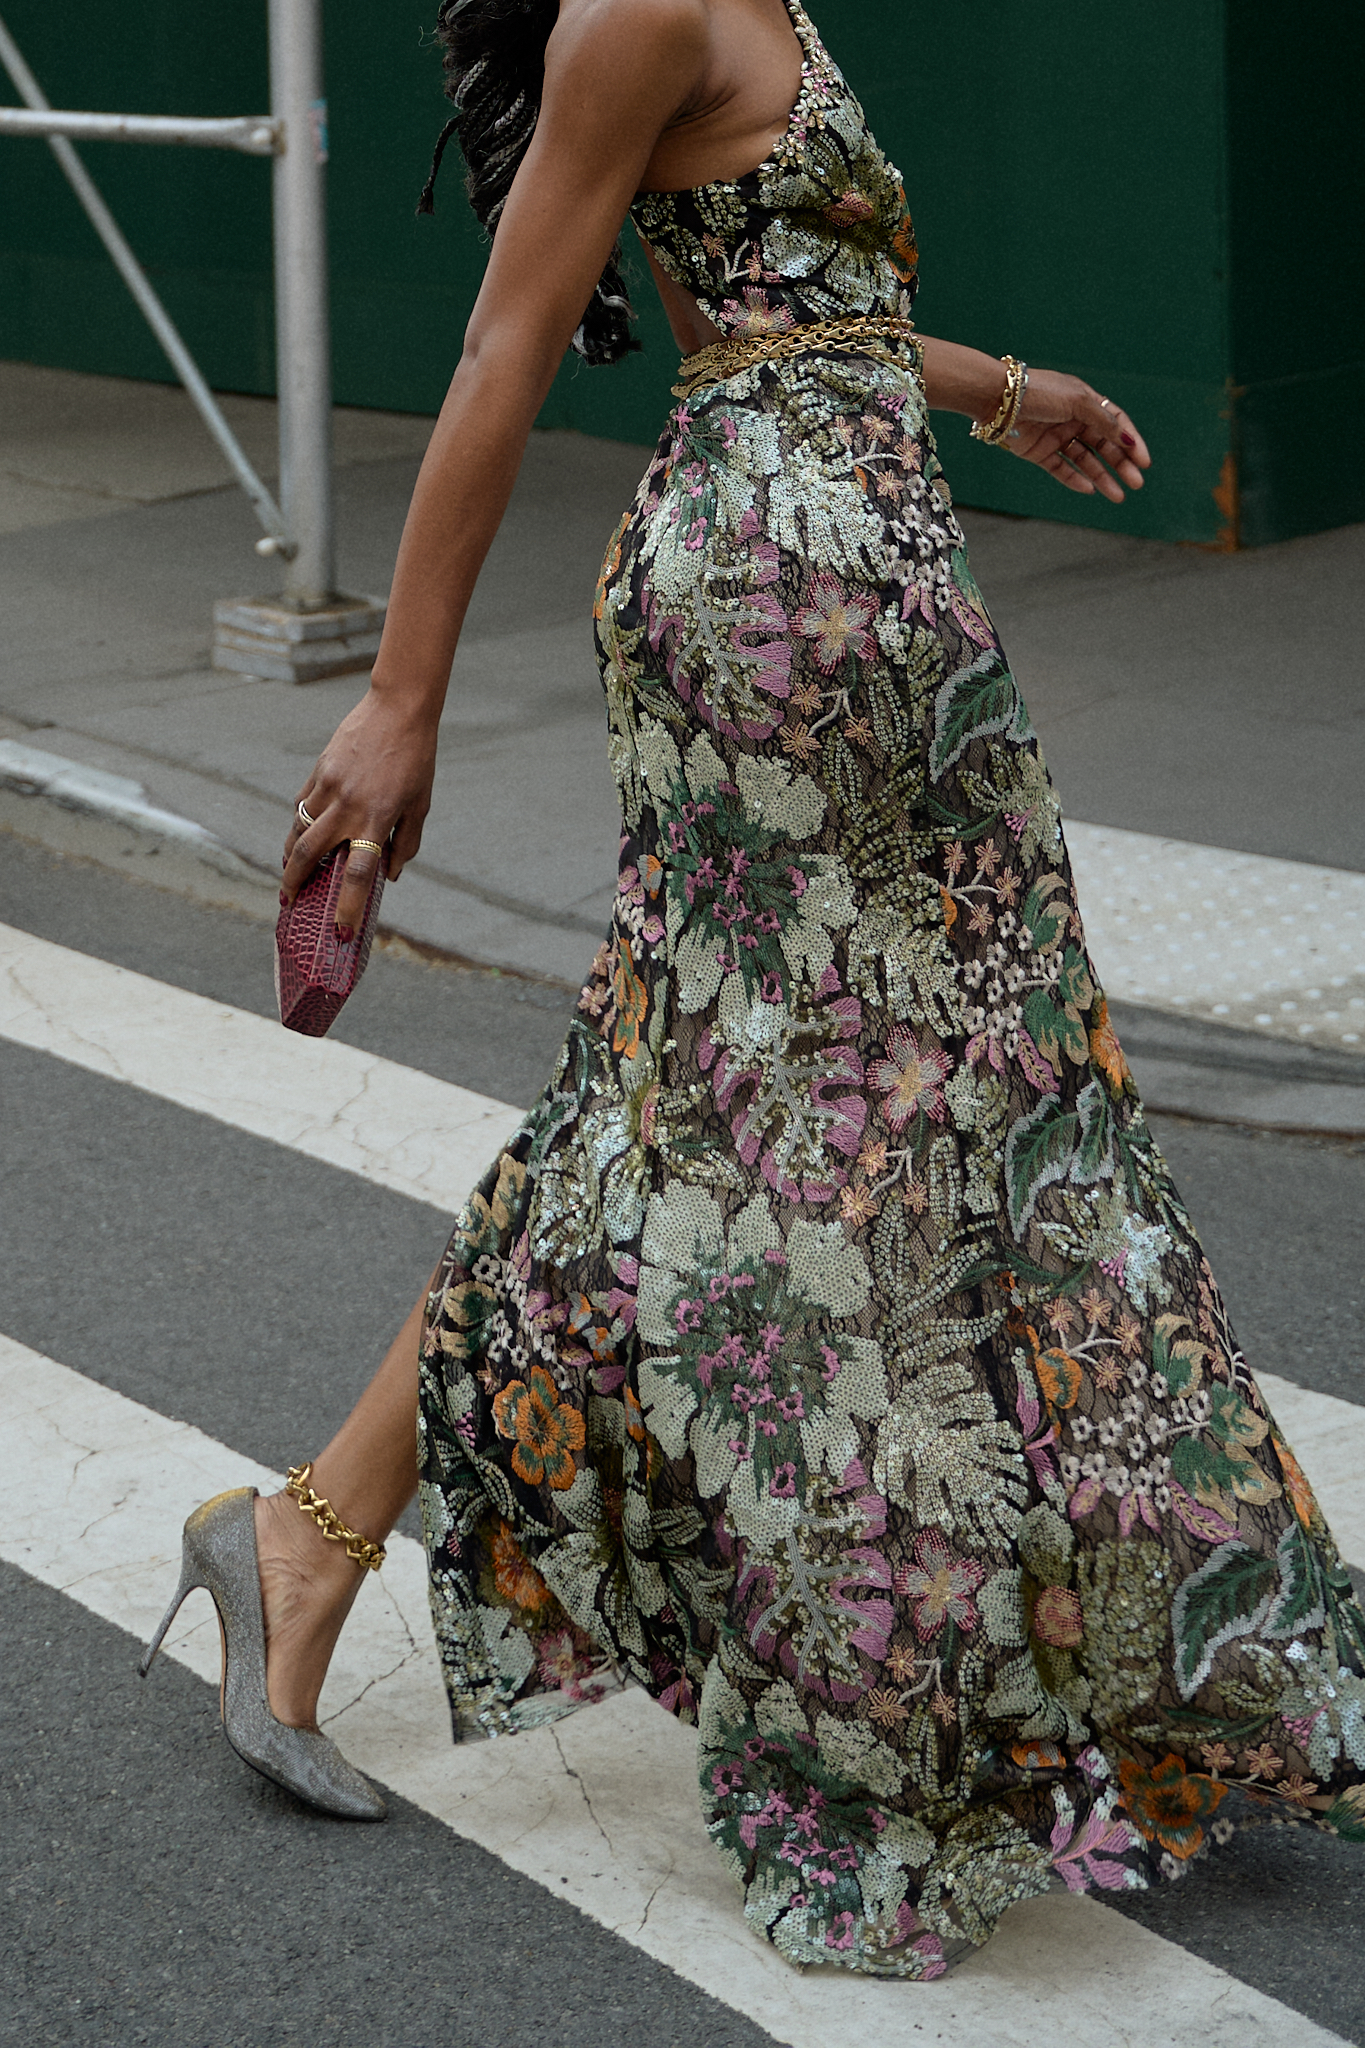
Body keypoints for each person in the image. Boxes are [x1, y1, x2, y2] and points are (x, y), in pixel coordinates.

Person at [143, 0, 1365, 1977]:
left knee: (833, 1106)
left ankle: (307, 1532)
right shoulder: (637, 5)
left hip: (872, 594)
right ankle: (936, 1690)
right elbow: (499, 344)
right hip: (775, 612)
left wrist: (1000, 386)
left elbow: (788, 309)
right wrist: (397, 699)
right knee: (842, 1155)